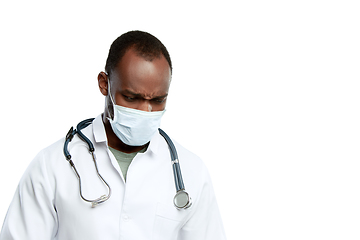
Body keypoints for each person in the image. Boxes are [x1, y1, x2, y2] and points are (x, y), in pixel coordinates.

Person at [0, 30, 226, 240]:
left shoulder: (191, 171)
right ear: (104, 84)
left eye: (157, 100)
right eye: (131, 97)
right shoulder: (52, 165)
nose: (144, 111)